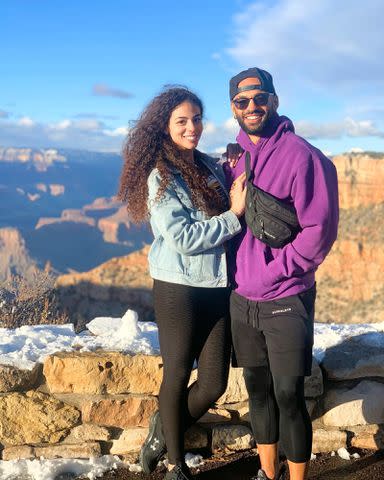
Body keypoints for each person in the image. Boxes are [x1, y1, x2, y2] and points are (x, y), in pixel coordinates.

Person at [118, 86, 247, 480]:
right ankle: (176, 464)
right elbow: (184, 238)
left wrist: (234, 164)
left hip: (217, 285)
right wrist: (235, 215)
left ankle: (162, 430)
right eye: (182, 121)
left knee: (212, 384)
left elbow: (228, 188)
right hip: (179, 287)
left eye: (196, 119)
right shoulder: (161, 175)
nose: (192, 127)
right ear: (165, 126)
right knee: (176, 374)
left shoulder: (206, 166)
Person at [224, 68, 339, 480]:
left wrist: (280, 269)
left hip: (287, 298)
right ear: (233, 107)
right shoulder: (234, 156)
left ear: (274, 100)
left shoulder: (302, 155)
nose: (252, 107)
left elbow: (320, 230)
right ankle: (268, 474)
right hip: (242, 300)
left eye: (259, 98)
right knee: (257, 391)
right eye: (242, 101)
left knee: (288, 395)